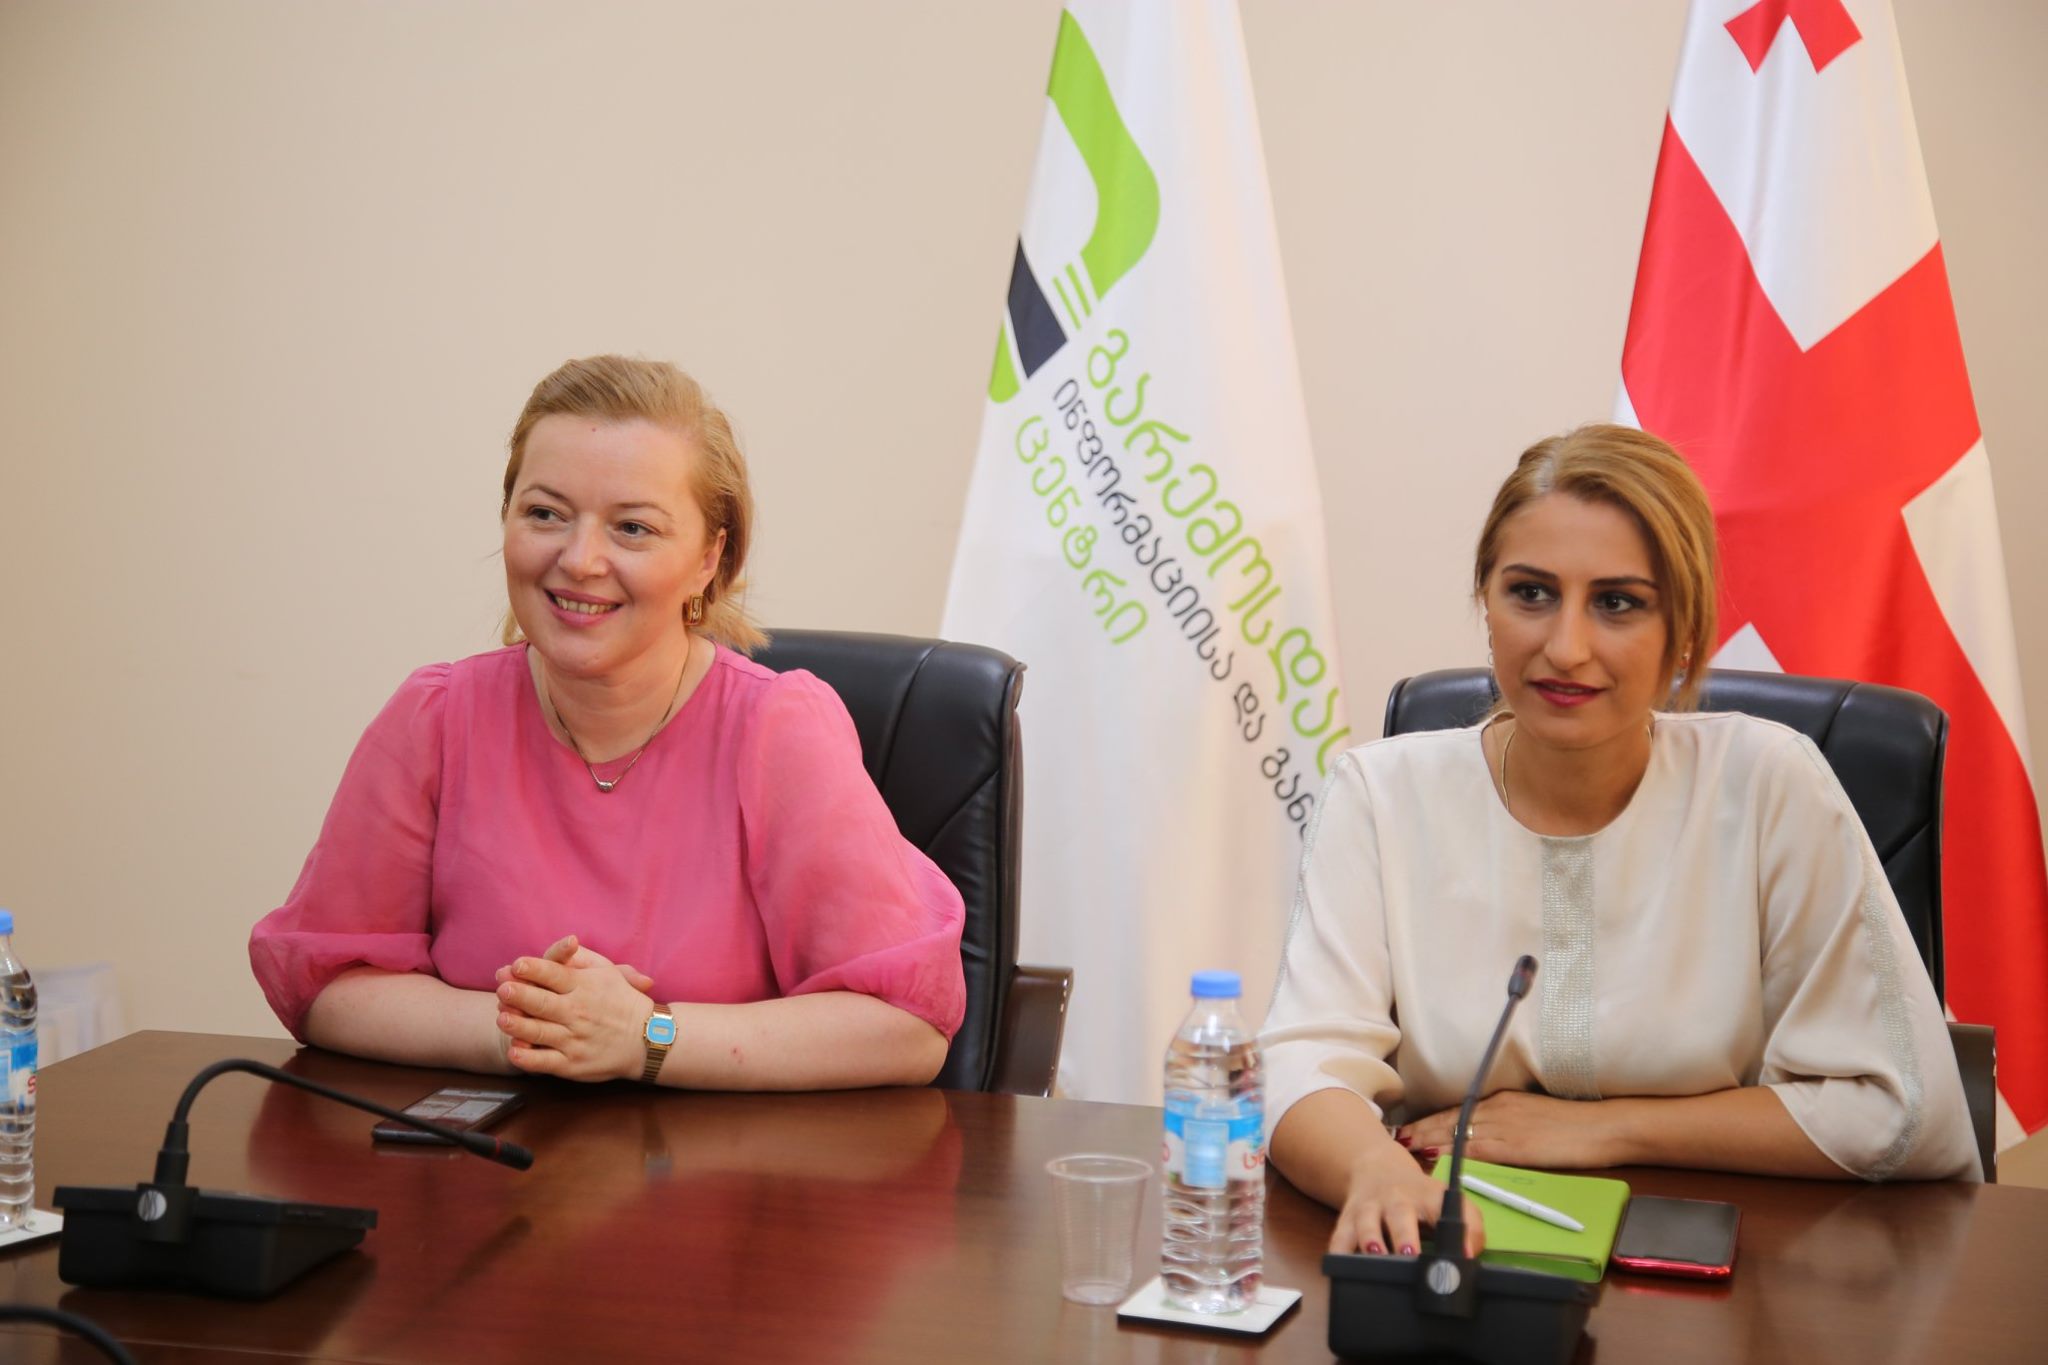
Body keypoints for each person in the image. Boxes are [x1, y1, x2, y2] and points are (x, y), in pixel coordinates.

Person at [1262, 423, 1979, 1259]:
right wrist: (1374, 1170)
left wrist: (1604, 1129)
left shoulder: (1769, 782)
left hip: (1743, 1260)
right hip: (1453, 1251)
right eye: (1530, 592)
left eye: (1617, 602)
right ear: (1485, 604)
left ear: (1684, 629)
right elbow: (1302, 1062)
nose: (1565, 647)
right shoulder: (1379, 793)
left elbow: (1901, 1108)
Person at [250, 355, 965, 1089]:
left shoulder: (779, 730)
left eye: (632, 527)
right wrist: (535, 1030)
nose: (579, 559)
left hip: (725, 1160)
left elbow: (905, 1028)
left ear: (708, 558)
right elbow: (326, 983)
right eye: (545, 514)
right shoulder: (434, 718)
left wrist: (644, 1037)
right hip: (488, 1154)